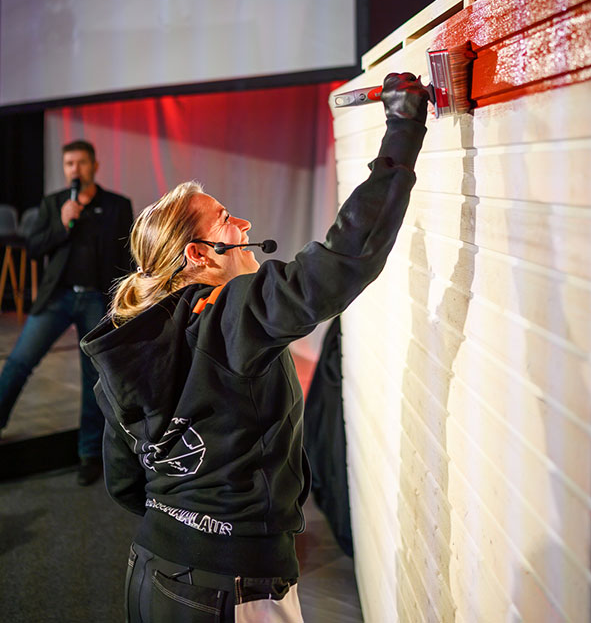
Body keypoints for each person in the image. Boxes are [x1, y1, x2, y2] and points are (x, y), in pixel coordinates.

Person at [80, 73, 429, 621]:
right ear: (199, 255)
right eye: (226, 218)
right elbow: (342, 260)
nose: (244, 224)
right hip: (232, 588)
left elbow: (125, 483)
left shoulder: (128, 346)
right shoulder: (231, 314)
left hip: (150, 574)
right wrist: (403, 131)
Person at [0, 140, 133, 486]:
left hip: (96, 300)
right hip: (57, 298)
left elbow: (126, 256)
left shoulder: (117, 205)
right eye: (69, 163)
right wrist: (61, 224)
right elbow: (34, 248)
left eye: (81, 162)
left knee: (93, 380)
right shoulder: (54, 203)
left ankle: (89, 453)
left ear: (94, 166)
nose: (75, 169)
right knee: (19, 363)